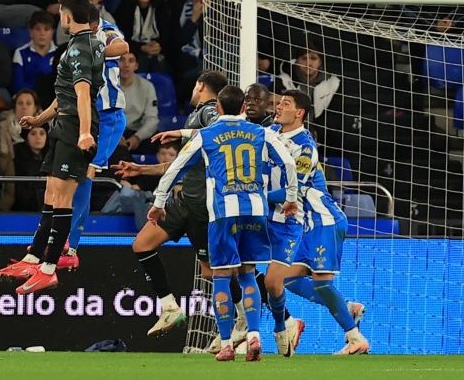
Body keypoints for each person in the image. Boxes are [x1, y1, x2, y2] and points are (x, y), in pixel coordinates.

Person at [147, 85, 299, 361]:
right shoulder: (261, 132)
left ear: (217, 109)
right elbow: (288, 163)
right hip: (254, 209)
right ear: (243, 108)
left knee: (220, 276)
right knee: (248, 273)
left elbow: (177, 166)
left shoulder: (207, 135)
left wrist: (158, 203)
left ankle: (227, 342)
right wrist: (290, 198)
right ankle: (254, 336)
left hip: (222, 213)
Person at [0, 0, 104, 294]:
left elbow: (81, 93)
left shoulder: (80, 48)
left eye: (62, 13)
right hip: (63, 123)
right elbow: (66, 94)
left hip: (74, 127)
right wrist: (39, 120)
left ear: (68, 16)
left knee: (62, 197)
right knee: (52, 194)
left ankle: (49, 268)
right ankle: (33, 258)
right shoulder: (80, 46)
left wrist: (83, 132)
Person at [112, 71, 227, 338]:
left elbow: (221, 128)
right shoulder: (196, 114)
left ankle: (254, 317)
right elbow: (181, 165)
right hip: (186, 200)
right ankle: (169, 307)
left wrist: (181, 131)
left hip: (203, 205)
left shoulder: (208, 111)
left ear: (200, 86)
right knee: (142, 245)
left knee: (212, 272)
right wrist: (142, 169)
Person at [267, 90, 369, 356]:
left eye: (285, 104)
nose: (278, 107)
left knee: (322, 282)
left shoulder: (305, 146)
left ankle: (355, 337)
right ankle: (346, 308)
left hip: (323, 219)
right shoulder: (272, 133)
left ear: (299, 112)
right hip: (305, 223)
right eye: (278, 103)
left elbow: (292, 191)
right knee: (282, 279)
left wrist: (254, 199)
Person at [61, 15, 130, 269]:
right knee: (69, 177)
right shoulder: (74, 44)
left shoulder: (105, 30)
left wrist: (95, 49)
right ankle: (61, 240)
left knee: (86, 174)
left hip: (109, 118)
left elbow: (122, 46)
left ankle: (73, 246)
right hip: (88, 118)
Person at [119, 51, 158, 153]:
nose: (126, 65)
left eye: (130, 61)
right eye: (122, 60)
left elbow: (152, 119)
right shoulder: (106, 85)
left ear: (136, 66)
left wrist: (137, 137)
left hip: (136, 131)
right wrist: (114, 134)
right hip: (112, 131)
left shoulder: (147, 86)